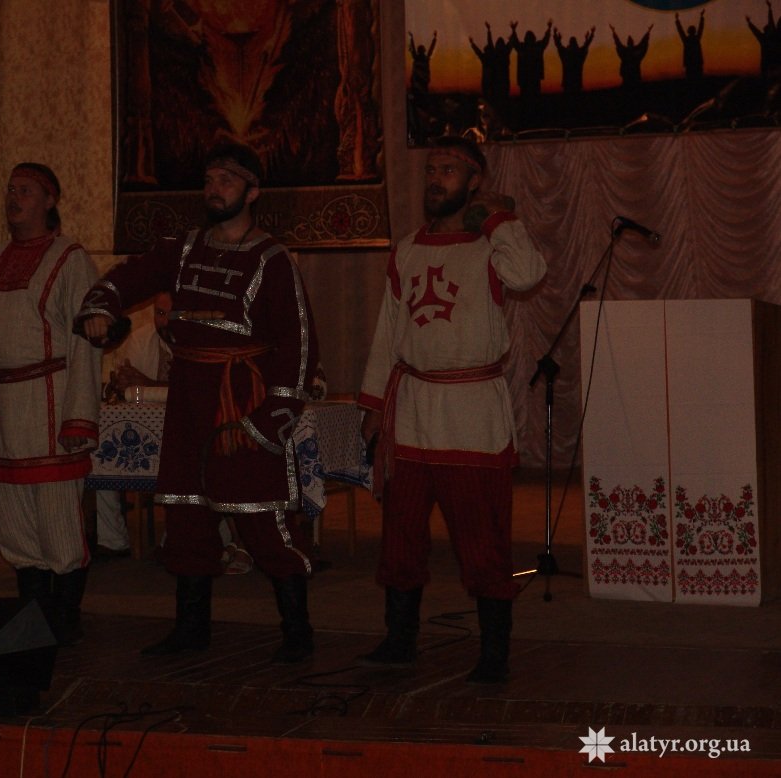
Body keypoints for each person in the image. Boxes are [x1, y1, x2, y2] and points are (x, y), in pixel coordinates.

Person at [76, 142, 320, 664]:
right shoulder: (183, 248)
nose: (214, 188)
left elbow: (298, 346)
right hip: (189, 396)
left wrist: (269, 420)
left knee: (261, 518)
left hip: (241, 401)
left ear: (252, 191)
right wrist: (101, 306)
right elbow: (129, 277)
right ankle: (191, 630)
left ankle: (297, 632)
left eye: (227, 179)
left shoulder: (273, 259)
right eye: (209, 179)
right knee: (185, 514)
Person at [357, 136, 546, 682]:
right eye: (431, 170)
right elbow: (388, 332)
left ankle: (493, 654)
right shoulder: (408, 248)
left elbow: (528, 274)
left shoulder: (491, 246)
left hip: (470, 415)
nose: (435, 179)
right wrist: (374, 407)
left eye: (448, 170)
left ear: (474, 182)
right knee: (400, 536)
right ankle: (399, 640)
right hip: (411, 410)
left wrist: (498, 219)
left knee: (482, 539)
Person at [0, 163, 100, 646]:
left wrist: (79, 417)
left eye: (27, 190)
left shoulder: (70, 259)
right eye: (11, 189)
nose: (14, 198)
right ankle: (33, 621)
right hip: (2, 412)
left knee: (58, 526)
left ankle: (65, 620)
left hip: (50, 406)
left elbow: (86, 343)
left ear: (50, 200)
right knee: (16, 528)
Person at [93, 292, 174, 559]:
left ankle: (174, 542)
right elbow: (128, 388)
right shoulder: (140, 338)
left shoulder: (202, 340)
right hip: (144, 430)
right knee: (102, 452)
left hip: (185, 432)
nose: (165, 321)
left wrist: (148, 385)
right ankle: (112, 539)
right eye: (160, 313)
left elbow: (196, 391)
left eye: (171, 314)